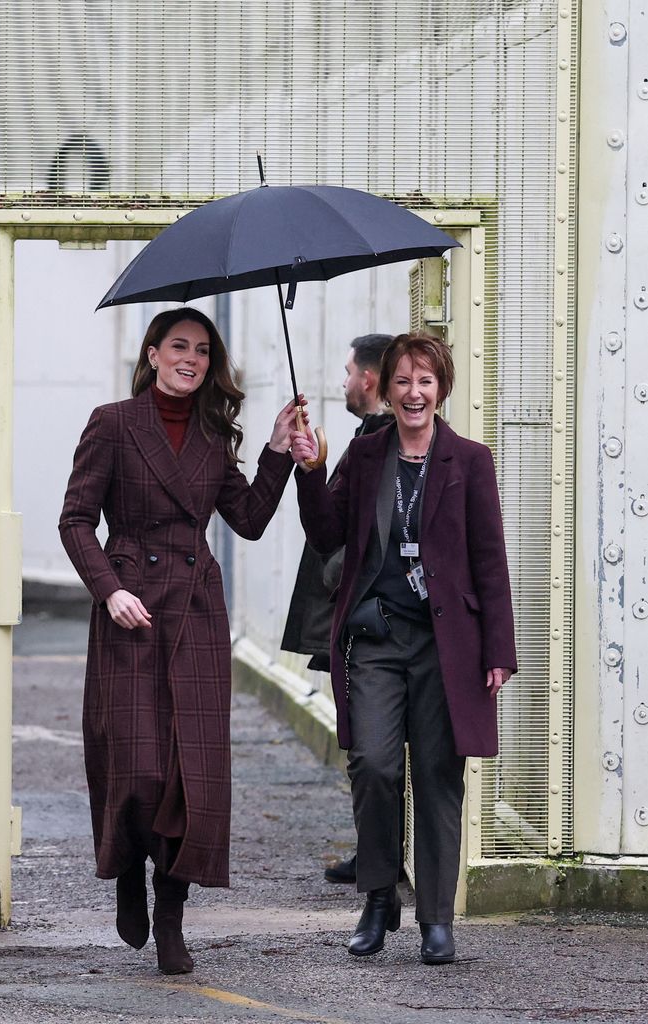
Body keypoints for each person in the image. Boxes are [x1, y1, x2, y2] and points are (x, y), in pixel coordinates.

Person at [59, 306, 301, 975]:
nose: (190, 359)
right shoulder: (113, 423)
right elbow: (77, 519)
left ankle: (171, 918)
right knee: (137, 768)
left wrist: (279, 449)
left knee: (187, 777)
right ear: (154, 352)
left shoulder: (210, 435)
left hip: (195, 611)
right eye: (179, 347)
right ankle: (131, 876)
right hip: (129, 609)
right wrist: (110, 589)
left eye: (201, 350)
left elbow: (247, 520)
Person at [289, 332, 516, 965]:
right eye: (402, 382)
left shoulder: (470, 461)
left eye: (426, 381)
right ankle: (379, 897)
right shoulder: (365, 457)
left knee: (441, 775)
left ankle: (437, 918)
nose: (414, 394)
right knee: (375, 765)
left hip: (448, 644)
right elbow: (328, 532)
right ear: (385, 390)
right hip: (378, 637)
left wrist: (499, 647)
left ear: (441, 388)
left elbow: (489, 562)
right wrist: (309, 470)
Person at [280, 333, 395, 885]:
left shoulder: (381, 442)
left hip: (365, 615)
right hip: (355, 611)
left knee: (368, 741)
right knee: (371, 743)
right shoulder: (365, 439)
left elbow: (338, 534)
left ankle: (381, 856)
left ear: (368, 378)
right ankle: (377, 850)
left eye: (349, 371)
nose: (343, 381)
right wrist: (311, 465)